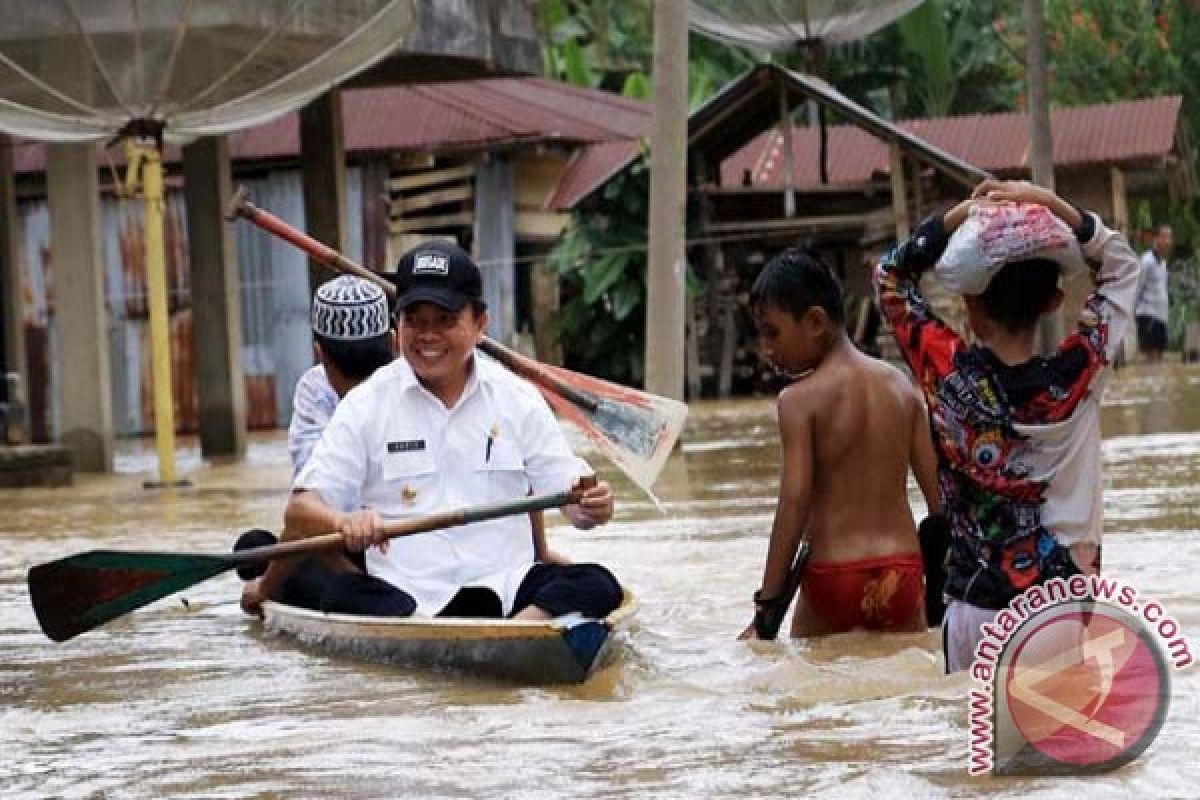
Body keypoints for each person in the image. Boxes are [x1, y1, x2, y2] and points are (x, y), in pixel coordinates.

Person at [874, 179, 1141, 672]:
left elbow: (890, 277)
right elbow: (1124, 268)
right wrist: (1056, 207)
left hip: (972, 611)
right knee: (1054, 743)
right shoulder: (1081, 373)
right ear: (1053, 302)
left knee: (974, 746)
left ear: (971, 306)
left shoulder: (947, 373)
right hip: (1057, 607)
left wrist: (959, 215)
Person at [282, 239, 623, 621]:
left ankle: (521, 631)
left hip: (508, 588)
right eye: (415, 320)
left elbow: (572, 501)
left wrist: (593, 507)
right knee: (333, 589)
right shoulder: (366, 404)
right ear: (398, 326)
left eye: (445, 320)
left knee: (599, 584)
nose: (428, 336)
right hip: (407, 596)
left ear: (480, 323)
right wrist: (345, 522)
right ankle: (492, 640)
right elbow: (300, 510)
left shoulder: (518, 398)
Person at [739, 248, 941, 640]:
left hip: (834, 573)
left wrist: (766, 608)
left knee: (814, 689)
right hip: (902, 569)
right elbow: (940, 502)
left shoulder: (798, 401)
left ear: (815, 321)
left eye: (772, 332)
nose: (766, 349)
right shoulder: (904, 388)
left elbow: (794, 502)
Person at [238, 275, 397, 614]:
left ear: (319, 353)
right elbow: (309, 518)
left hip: (409, 549)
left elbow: (302, 522)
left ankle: (364, 594)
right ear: (395, 343)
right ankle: (363, 592)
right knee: (252, 549)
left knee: (289, 571)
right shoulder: (316, 391)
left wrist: (265, 589)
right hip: (344, 545)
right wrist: (353, 574)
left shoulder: (416, 388)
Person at [1135, 223, 1172, 362]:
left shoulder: (1162, 263)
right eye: (1164, 236)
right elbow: (1137, 287)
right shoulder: (1146, 261)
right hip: (1148, 314)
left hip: (1160, 315)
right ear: (1156, 239)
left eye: (1169, 237)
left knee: (1159, 357)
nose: (1168, 240)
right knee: (1152, 358)